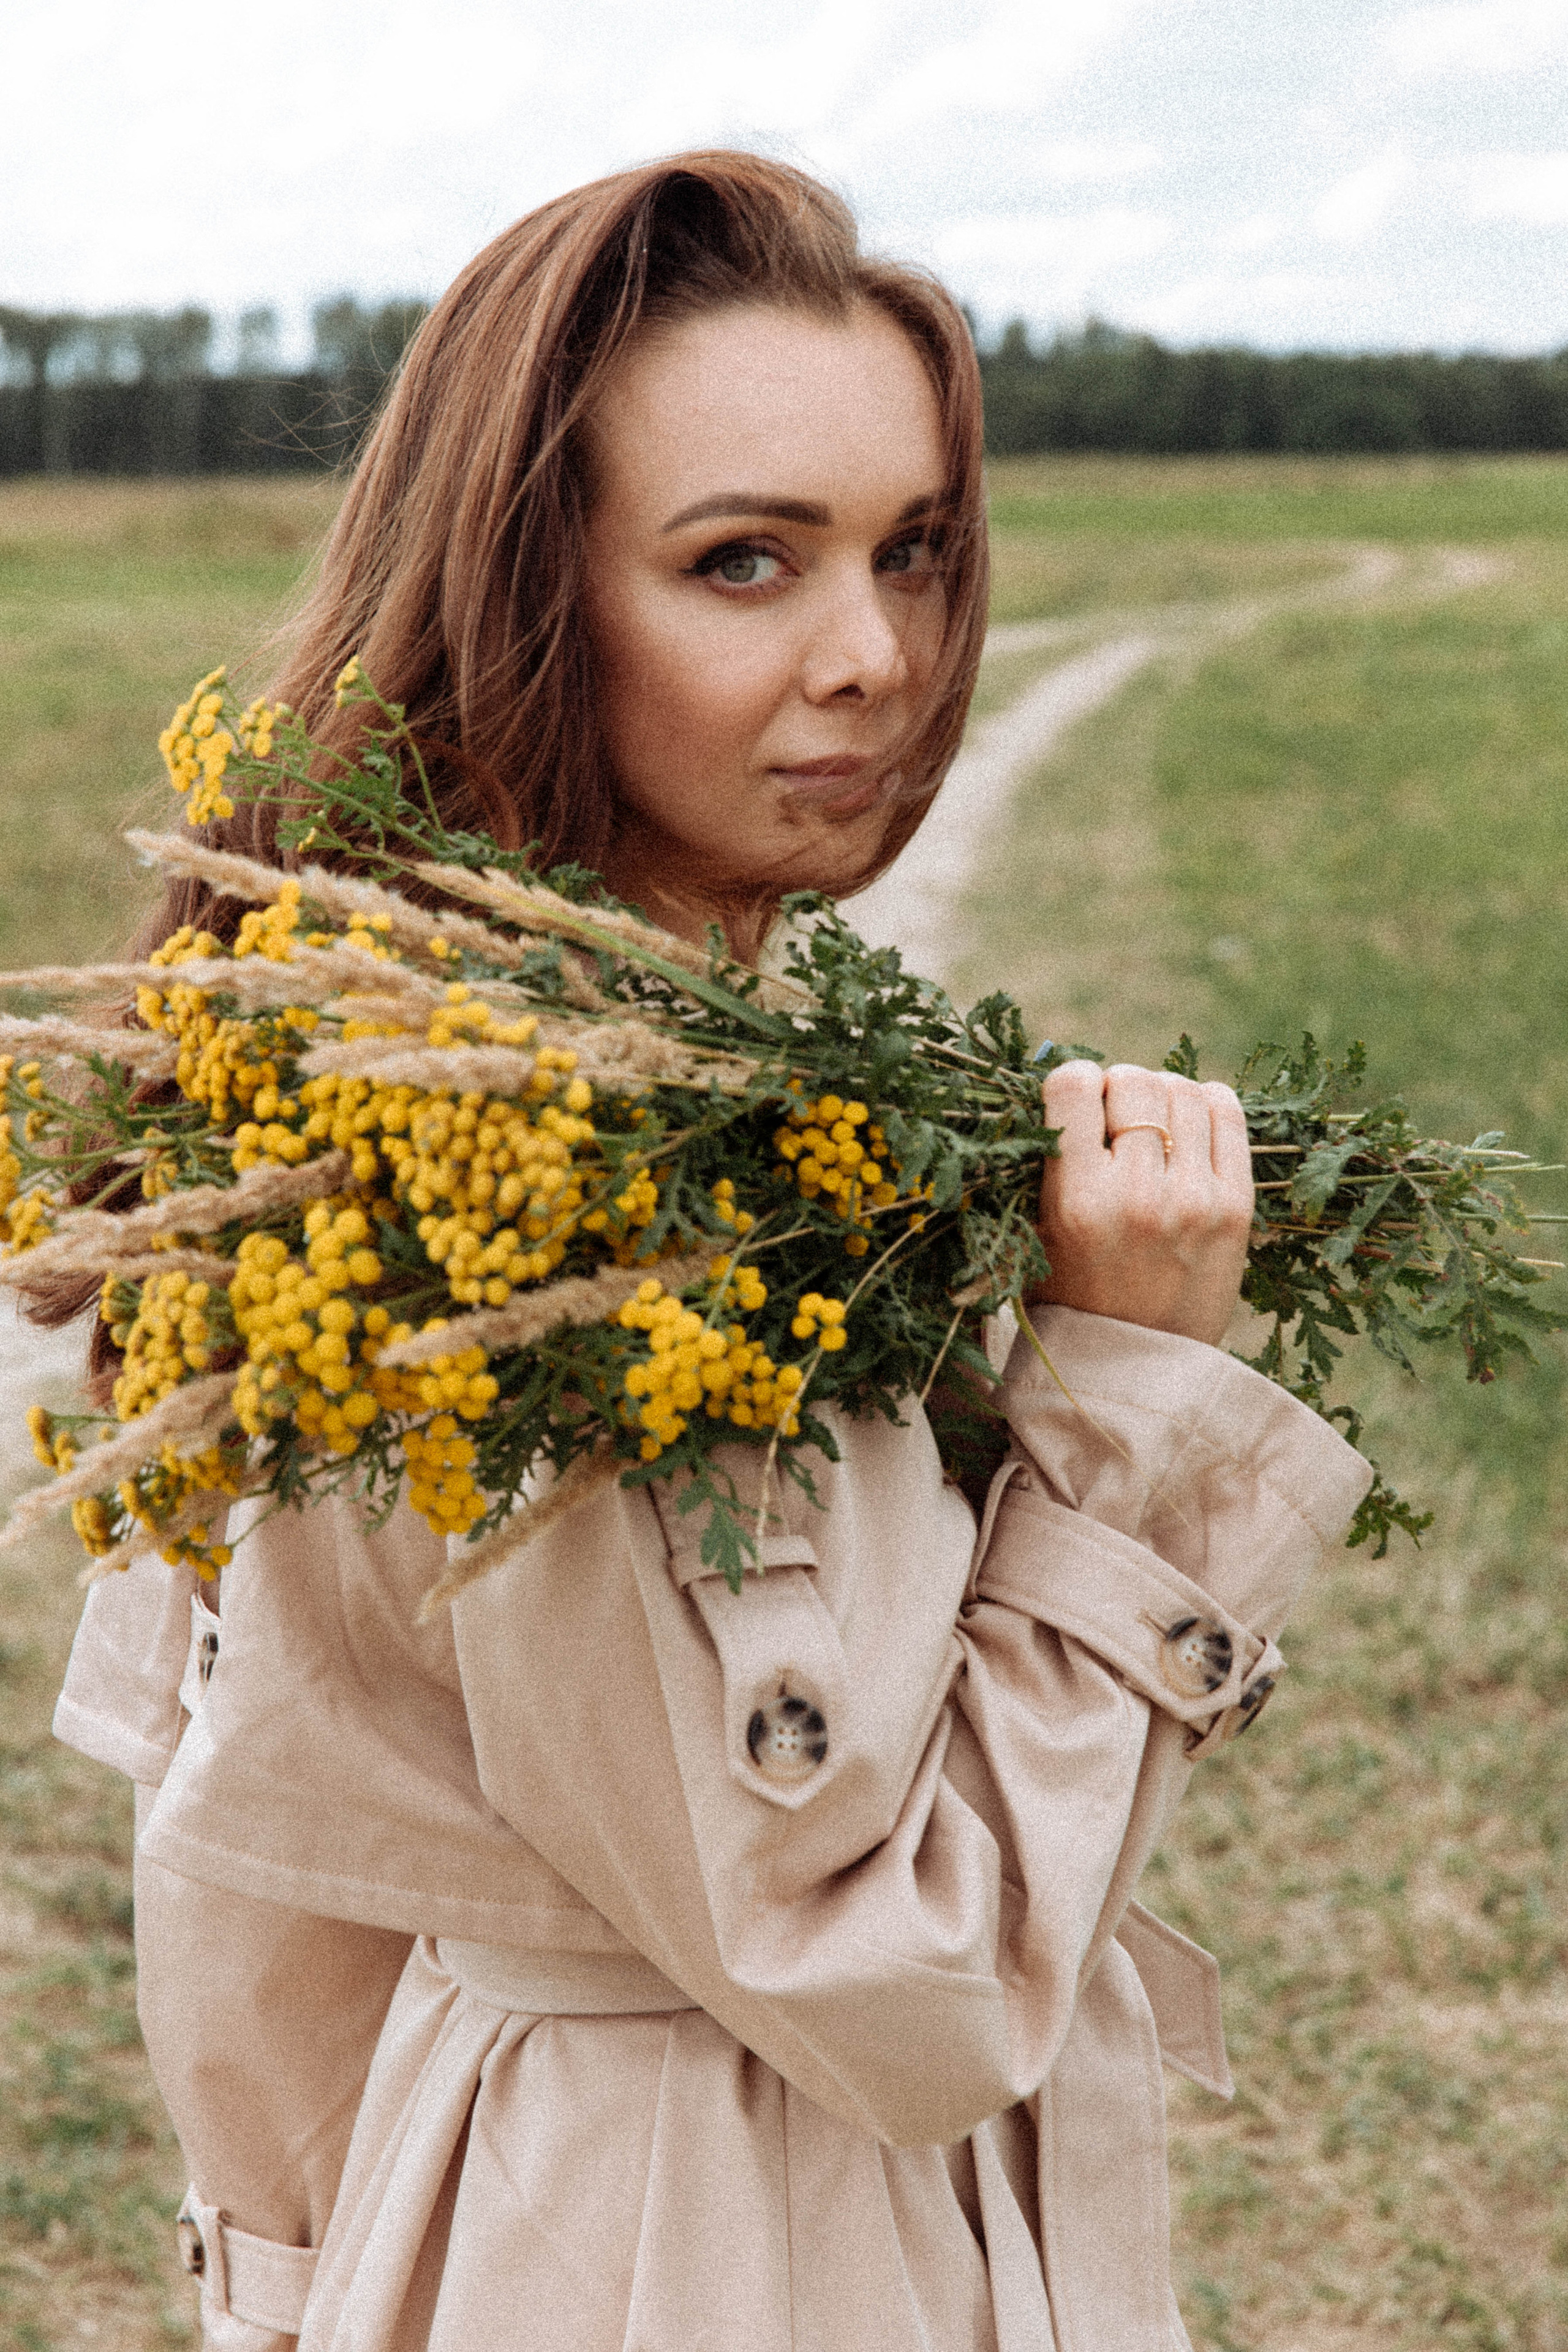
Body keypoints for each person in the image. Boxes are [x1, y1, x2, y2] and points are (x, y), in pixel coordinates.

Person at [47, 154, 1371, 2352]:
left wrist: (303, 2280)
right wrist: (1123, 1411)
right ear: (531, 590)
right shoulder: (570, 1201)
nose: (874, 657)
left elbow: (245, 1856)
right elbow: (906, 1982)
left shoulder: (379, 1073)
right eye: (743, 562)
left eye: (915, 551)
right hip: (685, 2248)